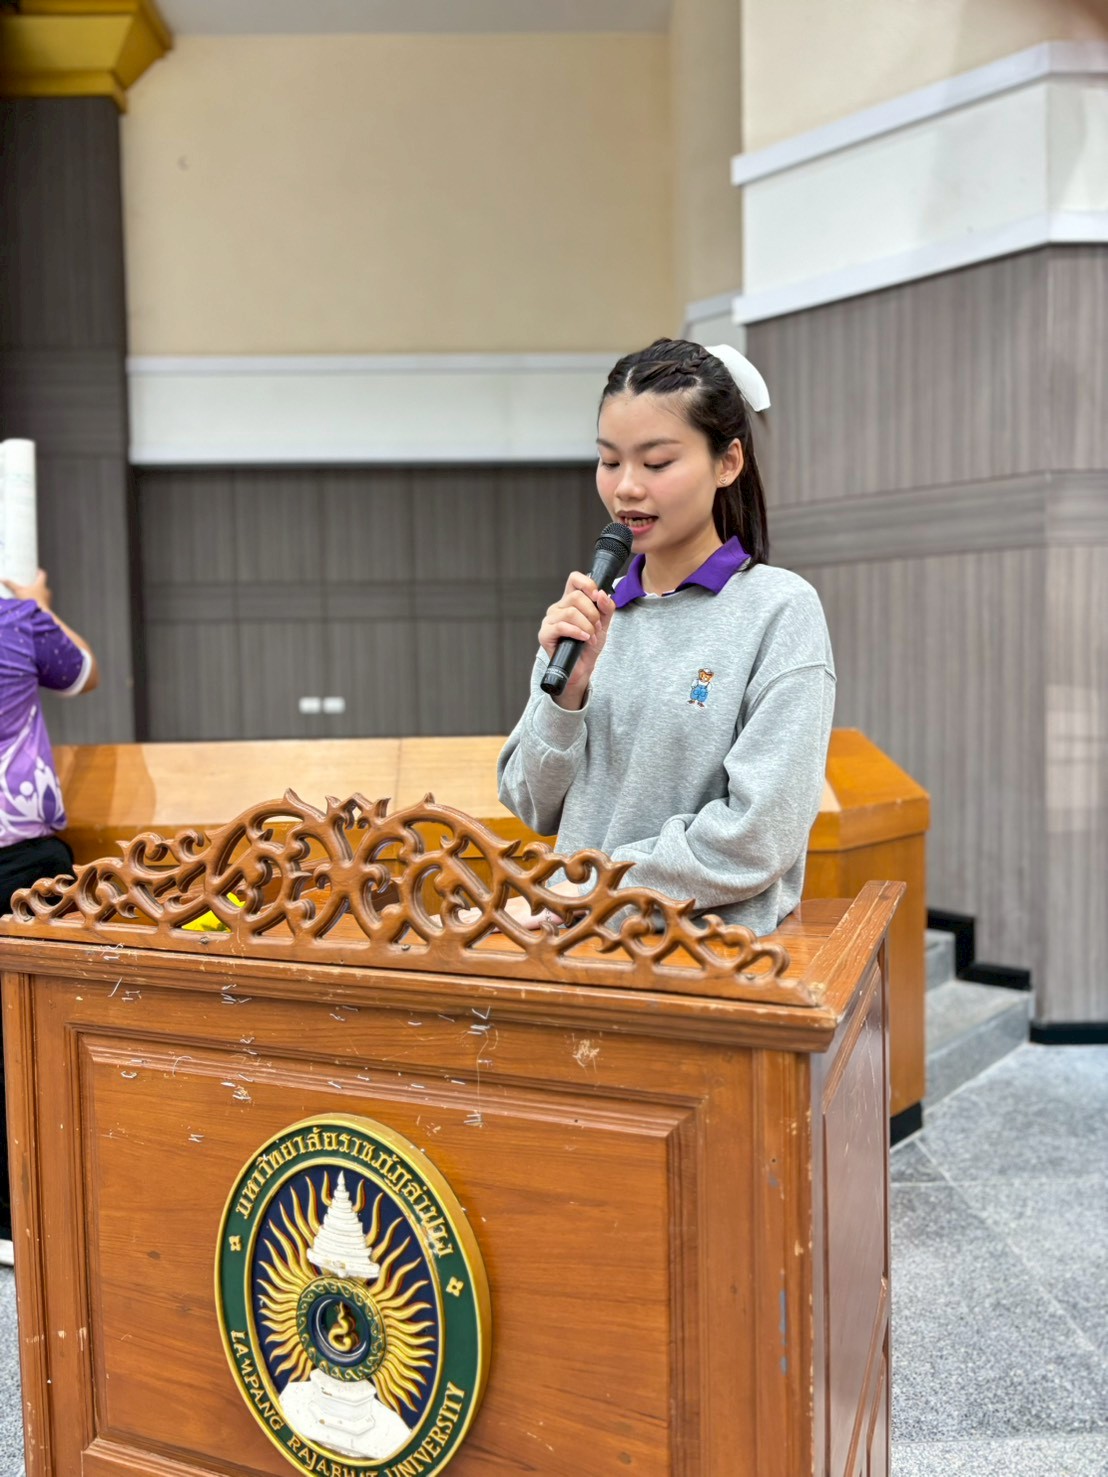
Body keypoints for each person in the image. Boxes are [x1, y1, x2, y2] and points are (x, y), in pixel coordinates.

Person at [497, 338, 835, 935]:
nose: (626, 487)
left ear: (728, 463)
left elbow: (758, 835)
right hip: (575, 952)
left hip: (705, 961)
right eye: (609, 461)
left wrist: (592, 893)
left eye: (656, 464)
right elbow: (530, 802)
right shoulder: (590, 615)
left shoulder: (779, 610)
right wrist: (565, 699)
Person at [0, 567, 98, 1261]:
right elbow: (84, 673)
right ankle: (31, 1218)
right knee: (37, 1037)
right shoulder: (16, 620)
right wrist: (38, 605)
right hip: (19, 863)